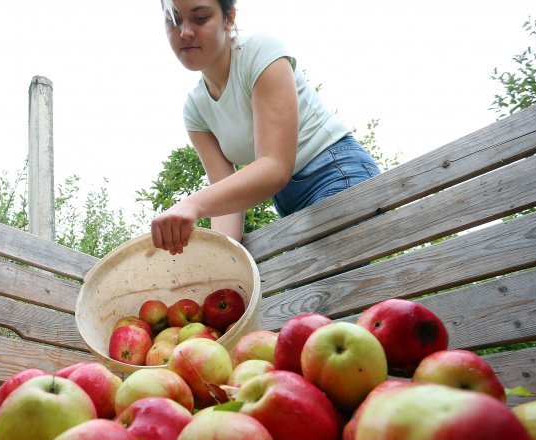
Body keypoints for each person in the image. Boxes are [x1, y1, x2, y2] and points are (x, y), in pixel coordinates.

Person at [151, 0, 380, 254]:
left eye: (200, 18)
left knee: (322, 287)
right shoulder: (195, 109)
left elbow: (275, 166)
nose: (185, 32)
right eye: (174, 21)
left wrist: (191, 204)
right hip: (289, 201)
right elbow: (228, 203)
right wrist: (219, 258)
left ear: (229, 19)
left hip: (335, 171)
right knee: (310, 289)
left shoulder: (260, 52)